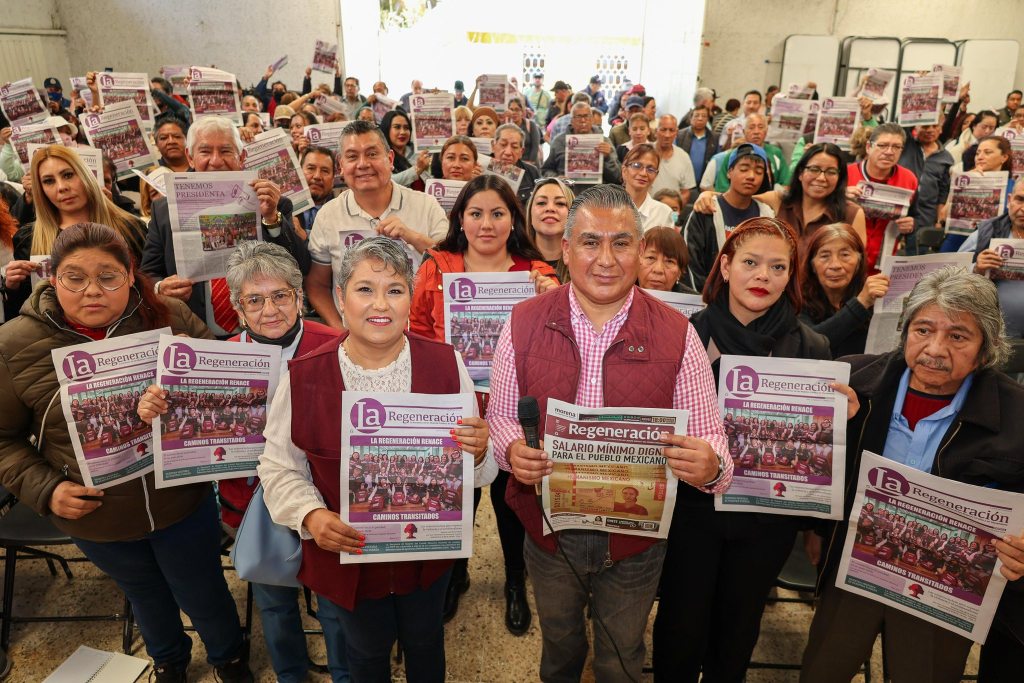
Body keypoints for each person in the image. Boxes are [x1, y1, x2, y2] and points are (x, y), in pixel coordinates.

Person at [488, 184, 731, 682]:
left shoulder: (678, 334)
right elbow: (504, 418)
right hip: (549, 531)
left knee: (621, 654)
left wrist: (710, 466)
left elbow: (712, 441)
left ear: (640, 250)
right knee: (560, 645)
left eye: (621, 243)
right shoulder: (522, 322)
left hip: (635, 542)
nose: (605, 259)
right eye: (590, 242)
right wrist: (512, 450)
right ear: (566, 249)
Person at [0, 223, 252, 682]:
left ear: (130, 275)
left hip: (181, 501)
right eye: (75, 277)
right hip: (98, 514)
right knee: (143, 593)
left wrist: (186, 396)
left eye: (108, 276)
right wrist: (47, 490)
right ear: (52, 278)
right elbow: (3, 439)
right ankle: (169, 660)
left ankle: (229, 656)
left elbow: (227, 390)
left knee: (203, 588)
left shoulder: (169, 315)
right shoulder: (14, 344)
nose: (92, 290)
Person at [258, 236, 497, 681]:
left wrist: (480, 450)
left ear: (411, 299)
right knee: (364, 653)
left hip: (426, 555)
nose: (380, 304)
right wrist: (310, 515)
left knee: (426, 642)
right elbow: (279, 465)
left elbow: (478, 472)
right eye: (365, 289)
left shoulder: (447, 364)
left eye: (395, 289)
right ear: (341, 298)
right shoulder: (304, 375)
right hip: (349, 557)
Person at [801, 267, 1024, 683]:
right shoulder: (852, 383)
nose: (935, 349)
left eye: (958, 336)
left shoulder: (1016, 414)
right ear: (904, 331)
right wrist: (817, 527)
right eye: (923, 330)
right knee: (823, 670)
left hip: (946, 589)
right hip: (854, 565)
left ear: (986, 348)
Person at [137, 241, 341, 683]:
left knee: (335, 603)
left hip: (325, 502)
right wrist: (158, 408)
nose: (270, 310)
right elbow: (186, 429)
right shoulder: (217, 357)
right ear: (237, 308)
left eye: (280, 295)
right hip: (252, 506)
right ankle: (290, 675)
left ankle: (345, 673)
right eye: (254, 300)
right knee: (274, 601)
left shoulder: (337, 346)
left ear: (299, 297)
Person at [653, 217, 831, 683]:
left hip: (765, 520)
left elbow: (816, 453)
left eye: (778, 267)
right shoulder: (684, 334)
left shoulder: (812, 348)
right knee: (680, 625)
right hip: (692, 509)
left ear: (791, 276)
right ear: (726, 266)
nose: (763, 276)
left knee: (737, 629)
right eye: (750, 263)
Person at [409, 174, 557, 632]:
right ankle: (456, 573)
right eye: (475, 213)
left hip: (516, 408)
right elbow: (417, 330)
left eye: (497, 213)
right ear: (460, 219)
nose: (486, 224)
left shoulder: (539, 273)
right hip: (453, 404)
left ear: (514, 220)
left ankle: (515, 579)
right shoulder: (437, 266)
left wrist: (551, 303)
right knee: (459, 495)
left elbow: (559, 347)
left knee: (511, 497)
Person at [141, 115, 309, 337]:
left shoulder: (271, 203)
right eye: (205, 151)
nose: (216, 161)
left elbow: (301, 267)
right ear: (190, 157)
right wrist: (160, 287)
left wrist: (271, 218)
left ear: (242, 156)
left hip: (265, 333)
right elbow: (148, 274)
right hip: (195, 334)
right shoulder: (164, 210)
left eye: (226, 151)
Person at [304, 120, 448, 330]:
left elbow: (450, 267)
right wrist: (339, 331)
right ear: (341, 165)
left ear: (390, 159)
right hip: (353, 338)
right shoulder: (328, 216)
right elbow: (317, 285)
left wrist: (412, 236)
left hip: (418, 335)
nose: (363, 164)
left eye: (372, 154)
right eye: (352, 156)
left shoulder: (426, 206)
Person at [5, 145, 148, 315]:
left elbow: (150, 293)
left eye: (68, 175)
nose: (61, 187)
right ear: (40, 188)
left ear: (86, 175)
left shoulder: (131, 228)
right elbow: (23, 313)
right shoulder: (29, 239)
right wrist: (12, 288)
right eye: (49, 181)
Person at [695, 142, 867, 247]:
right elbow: (737, 196)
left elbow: (857, 267)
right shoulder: (779, 200)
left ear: (840, 177)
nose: (821, 178)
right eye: (814, 169)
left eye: (831, 172)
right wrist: (708, 195)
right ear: (800, 173)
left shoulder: (852, 214)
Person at [684, 143, 776, 292]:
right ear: (729, 172)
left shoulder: (767, 216)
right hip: (707, 299)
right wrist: (705, 298)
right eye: (744, 169)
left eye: (759, 171)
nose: (751, 176)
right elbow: (690, 265)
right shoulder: (706, 210)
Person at [801, 222, 890, 357]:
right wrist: (861, 303)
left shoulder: (874, 296)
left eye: (845, 255)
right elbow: (811, 345)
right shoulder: (798, 300)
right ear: (812, 265)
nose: (835, 265)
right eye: (825, 256)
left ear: (859, 262)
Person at [846, 123, 919, 272]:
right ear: (868, 147)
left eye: (896, 147)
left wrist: (911, 225)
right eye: (883, 145)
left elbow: (914, 216)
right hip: (846, 257)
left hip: (883, 261)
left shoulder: (909, 179)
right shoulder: (846, 174)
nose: (889, 152)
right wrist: (839, 197)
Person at [960, 181, 1024, 337]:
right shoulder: (986, 232)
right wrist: (976, 269)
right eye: (1020, 199)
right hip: (991, 333)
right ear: (1009, 200)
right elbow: (951, 275)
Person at [940, 135, 1015, 252]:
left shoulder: (1014, 187)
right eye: (977, 153)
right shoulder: (963, 180)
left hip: (991, 247)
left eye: (987, 152)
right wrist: (961, 186)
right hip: (956, 243)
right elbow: (943, 217)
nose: (980, 157)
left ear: (1004, 157)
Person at [702, 113, 790, 191]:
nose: (756, 132)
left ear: (766, 131)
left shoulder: (776, 153)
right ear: (744, 132)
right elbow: (722, 189)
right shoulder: (732, 155)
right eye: (751, 127)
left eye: (760, 127)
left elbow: (786, 184)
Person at [542, 102, 622, 185]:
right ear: (571, 120)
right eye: (578, 117)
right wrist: (556, 179)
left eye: (586, 116)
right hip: (567, 191)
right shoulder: (559, 142)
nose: (583, 120)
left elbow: (617, 177)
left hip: (597, 191)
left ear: (592, 119)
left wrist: (608, 158)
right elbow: (545, 170)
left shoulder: (604, 142)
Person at [525, 177, 574, 283]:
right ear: (530, 212)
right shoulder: (512, 261)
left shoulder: (585, 262)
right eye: (541, 203)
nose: (550, 208)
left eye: (560, 203)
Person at [622, 144, 674, 232]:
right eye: (637, 165)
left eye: (650, 169)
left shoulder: (664, 213)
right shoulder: (607, 208)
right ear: (624, 171)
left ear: (656, 175)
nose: (643, 173)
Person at [650, 114, 696, 205]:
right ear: (656, 131)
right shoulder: (644, 153)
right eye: (663, 130)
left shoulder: (683, 157)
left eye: (671, 130)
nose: (667, 135)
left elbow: (686, 191)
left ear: (676, 132)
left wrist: (673, 208)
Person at [492, 122, 540, 208]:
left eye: (514, 147)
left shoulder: (531, 172)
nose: (508, 152)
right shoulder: (480, 168)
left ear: (521, 152)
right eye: (503, 145)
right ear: (493, 146)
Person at [638, 226, 696, 294]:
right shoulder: (626, 291)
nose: (658, 270)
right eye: (651, 258)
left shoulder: (694, 299)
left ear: (680, 272)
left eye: (669, 261)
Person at [676, 104, 719, 188]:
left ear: (707, 119)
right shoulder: (680, 135)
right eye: (696, 115)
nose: (700, 118)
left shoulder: (715, 138)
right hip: (683, 184)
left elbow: (716, 161)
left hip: (705, 184)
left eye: (704, 116)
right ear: (690, 118)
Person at [505, 97, 542, 167]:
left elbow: (535, 147)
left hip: (530, 163)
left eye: (517, 110)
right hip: (513, 165)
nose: (514, 112)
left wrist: (530, 164)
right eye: (511, 109)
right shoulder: (507, 126)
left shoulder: (530, 125)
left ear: (522, 111)